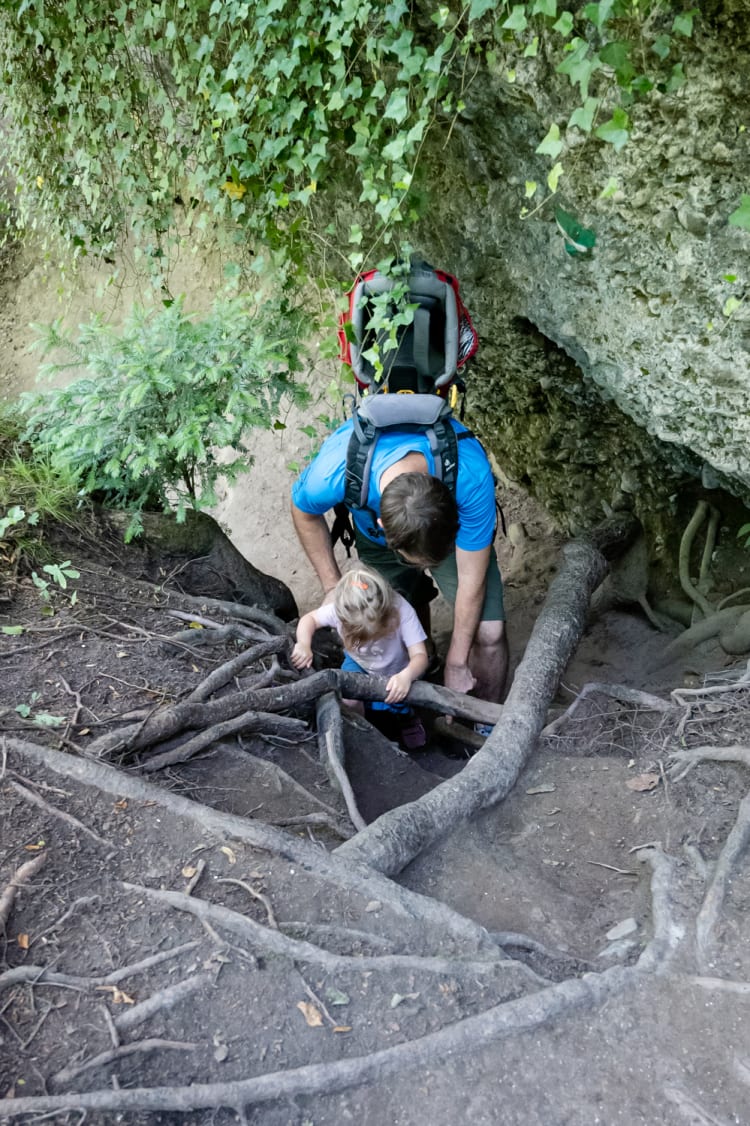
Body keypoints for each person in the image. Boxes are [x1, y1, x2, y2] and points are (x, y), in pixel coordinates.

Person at [290, 411, 508, 706]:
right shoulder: (335, 471)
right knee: (375, 619)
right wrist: (332, 587)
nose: (424, 568)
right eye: (417, 561)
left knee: (489, 633)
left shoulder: (469, 475)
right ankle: (421, 661)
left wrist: (457, 662)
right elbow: (303, 511)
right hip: (378, 538)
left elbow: (471, 581)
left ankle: (484, 722)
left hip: (443, 535)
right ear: (382, 526)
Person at [291, 565, 429, 749]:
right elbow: (310, 619)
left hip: (397, 670)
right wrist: (303, 644)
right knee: (348, 698)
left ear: (387, 613)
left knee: (399, 699)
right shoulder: (339, 610)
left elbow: (420, 655)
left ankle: (407, 719)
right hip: (359, 663)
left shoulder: (402, 611)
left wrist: (407, 675)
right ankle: (364, 726)